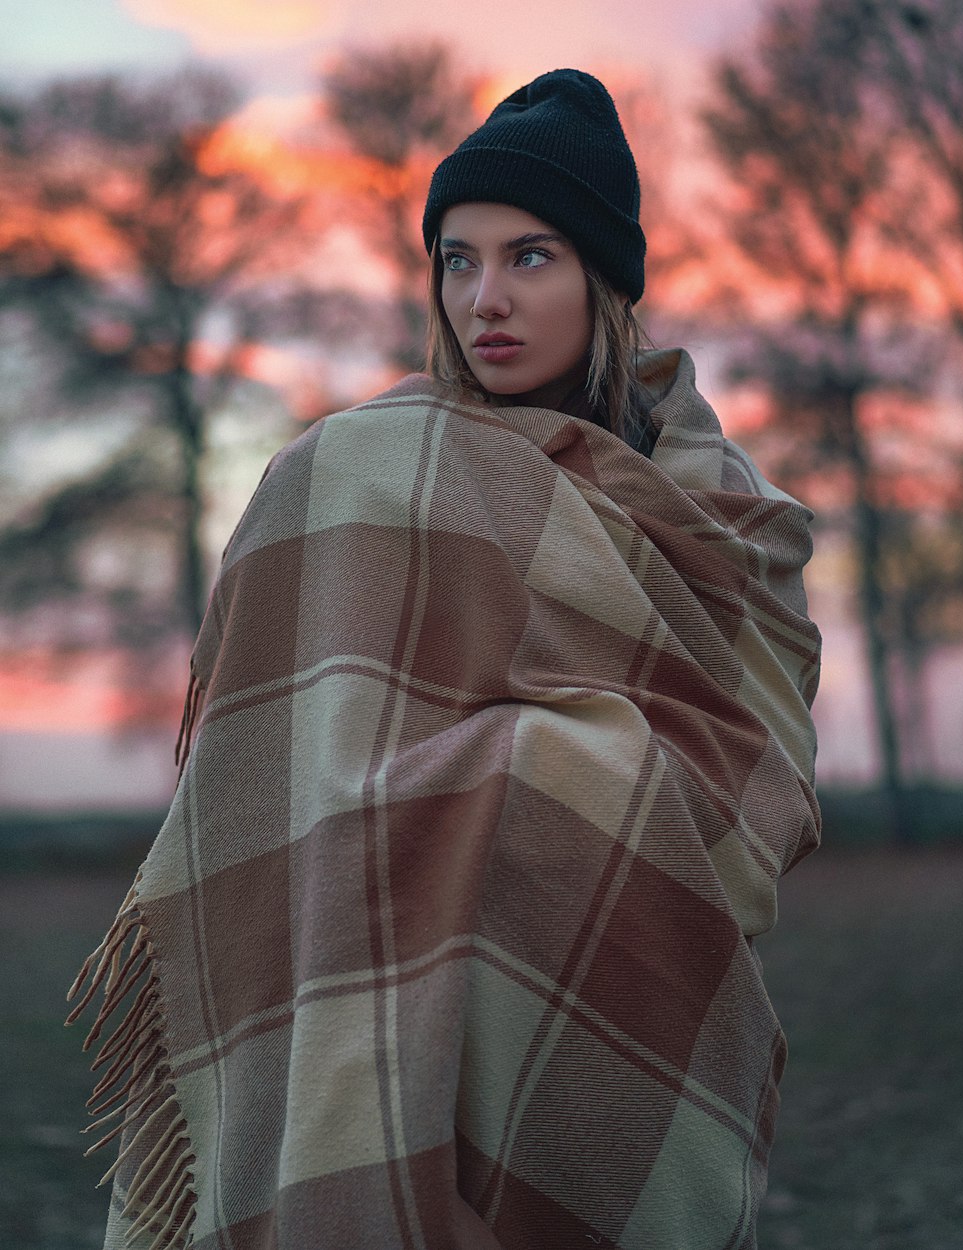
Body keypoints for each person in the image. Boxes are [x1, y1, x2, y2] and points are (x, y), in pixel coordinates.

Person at [69, 69, 821, 1250]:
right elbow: (293, 761)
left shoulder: (732, 522)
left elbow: (755, 793)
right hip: (366, 947)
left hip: (615, 940)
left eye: (530, 257)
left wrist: (550, 779)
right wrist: (468, 793)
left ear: (604, 279)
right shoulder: (362, 470)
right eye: (457, 261)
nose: (486, 300)